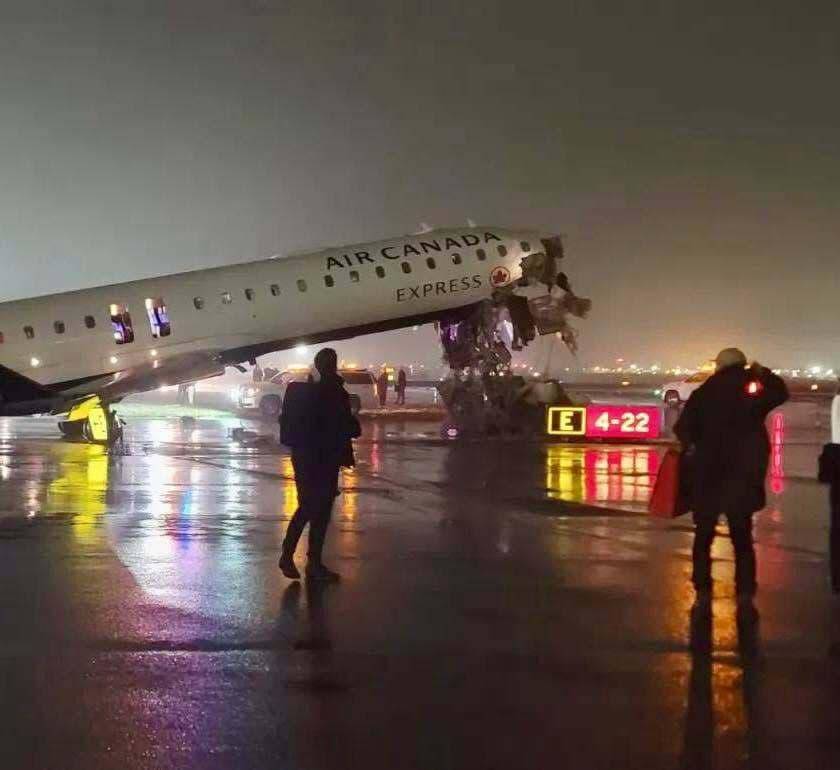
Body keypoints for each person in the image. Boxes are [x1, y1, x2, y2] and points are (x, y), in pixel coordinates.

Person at [674, 348, 788, 606]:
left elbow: (682, 429)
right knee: (742, 537)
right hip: (742, 476)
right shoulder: (752, 392)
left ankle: (702, 585)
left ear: (720, 366)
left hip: (708, 475)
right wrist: (764, 373)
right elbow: (781, 393)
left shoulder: (703, 393)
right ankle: (745, 589)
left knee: (703, 535)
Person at [278, 347, 361, 582]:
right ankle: (308, 562)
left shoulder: (306, 392)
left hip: (304, 458)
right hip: (324, 460)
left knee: (307, 507)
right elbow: (350, 427)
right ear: (333, 365)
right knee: (319, 512)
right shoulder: (334, 392)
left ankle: (294, 557)